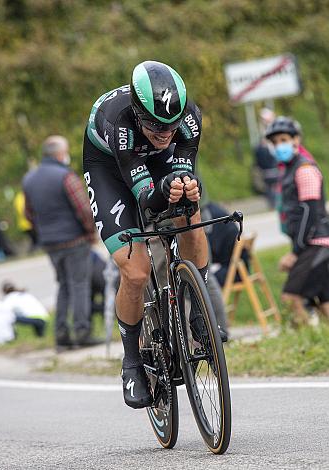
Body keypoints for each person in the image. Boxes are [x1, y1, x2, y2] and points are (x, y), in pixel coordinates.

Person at [83, 60, 209, 409]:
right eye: (155, 125)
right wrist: (160, 191)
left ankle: (199, 314)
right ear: (138, 113)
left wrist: (184, 186)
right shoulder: (118, 123)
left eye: (172, 125)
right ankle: (132, 362)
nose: (166, 132)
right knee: (136, 271)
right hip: (110, 167)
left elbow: (183, 171)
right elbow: (146, 200)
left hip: (156, 160)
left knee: (190, 213)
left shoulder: (189, 119)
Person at [23, 135, 101, 348]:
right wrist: (91, 232)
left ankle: (61, 335)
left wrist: (44, 230)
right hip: (74, 240)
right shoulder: (66, 176)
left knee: (64, 286)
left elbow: (28, 214)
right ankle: (82, 333)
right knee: (80, 285)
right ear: (59, 153)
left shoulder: (29, 179)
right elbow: (84, 208)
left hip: (50, 242)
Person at [265, 117, 329, 326]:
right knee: (324, 303)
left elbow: (309, 214)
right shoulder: (289, 169)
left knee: (291, 298)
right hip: (311, 244)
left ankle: (307, 342)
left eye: (283, 139)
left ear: (296, 140)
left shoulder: (304, 170)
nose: (278, 145)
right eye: (274, 142)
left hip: (315, 244)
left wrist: (296, 252)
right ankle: (318, 343)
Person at [201, 201, 250, 287]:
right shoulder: (212, 208)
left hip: (234, 271)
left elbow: (208, 253)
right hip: (239, 265)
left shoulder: (206, 215)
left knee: (199, 281)